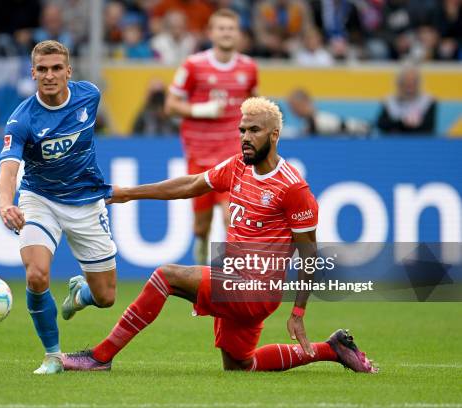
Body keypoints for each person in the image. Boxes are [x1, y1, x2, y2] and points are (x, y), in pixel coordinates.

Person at [61, 97, 378, 374]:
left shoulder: (293, 188)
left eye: (254, 130)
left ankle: (99, 357)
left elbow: (310, 256)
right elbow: (190, 185)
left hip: (257, 290)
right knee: (241, 365)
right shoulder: (238, 166)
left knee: (166, 276)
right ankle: (332, 348)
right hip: (233, 278)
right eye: (242, 130)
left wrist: (298, 312)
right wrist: (129, 192)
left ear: (275, 135)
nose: (245, 137)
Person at [0, 40, 118, 375]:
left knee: (106, 297)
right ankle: (53, 355)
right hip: (41, 200)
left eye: (55, 69)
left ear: (69, 71)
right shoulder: (21, 120)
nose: (49, 76)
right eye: (41, 70)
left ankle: (80, 294)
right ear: (33, 73)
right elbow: (8, 169)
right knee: (36, 275)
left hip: (87, 200)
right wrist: (6, 203)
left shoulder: (90, 95)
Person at [165, 8, 259, 265]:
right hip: (200, 155)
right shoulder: (194, 66)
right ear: (211, 33)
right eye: (221, 28)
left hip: (233, 156)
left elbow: (253, 102)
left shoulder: (249, 68)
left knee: (231, 217)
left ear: (238, 34)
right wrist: (200, 109)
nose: (227, 33)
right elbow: (170, 105)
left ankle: (228, 280)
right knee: (201, 227)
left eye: (231, 29)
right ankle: (201, 268)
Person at [376, 65, 437, 135]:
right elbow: (382, 125)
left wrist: (406, 125)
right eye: (407, 81)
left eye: (413, 81)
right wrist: (402, 123)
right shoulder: (389, 101)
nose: (410, 84)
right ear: (400, 83)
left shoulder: (428, 101)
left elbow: (429, 127)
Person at [287, 88, 370, 136]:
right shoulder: (307, 124)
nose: (292, 111)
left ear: (304, 103)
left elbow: (362, 127)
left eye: (293, 107)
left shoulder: (323, 120)